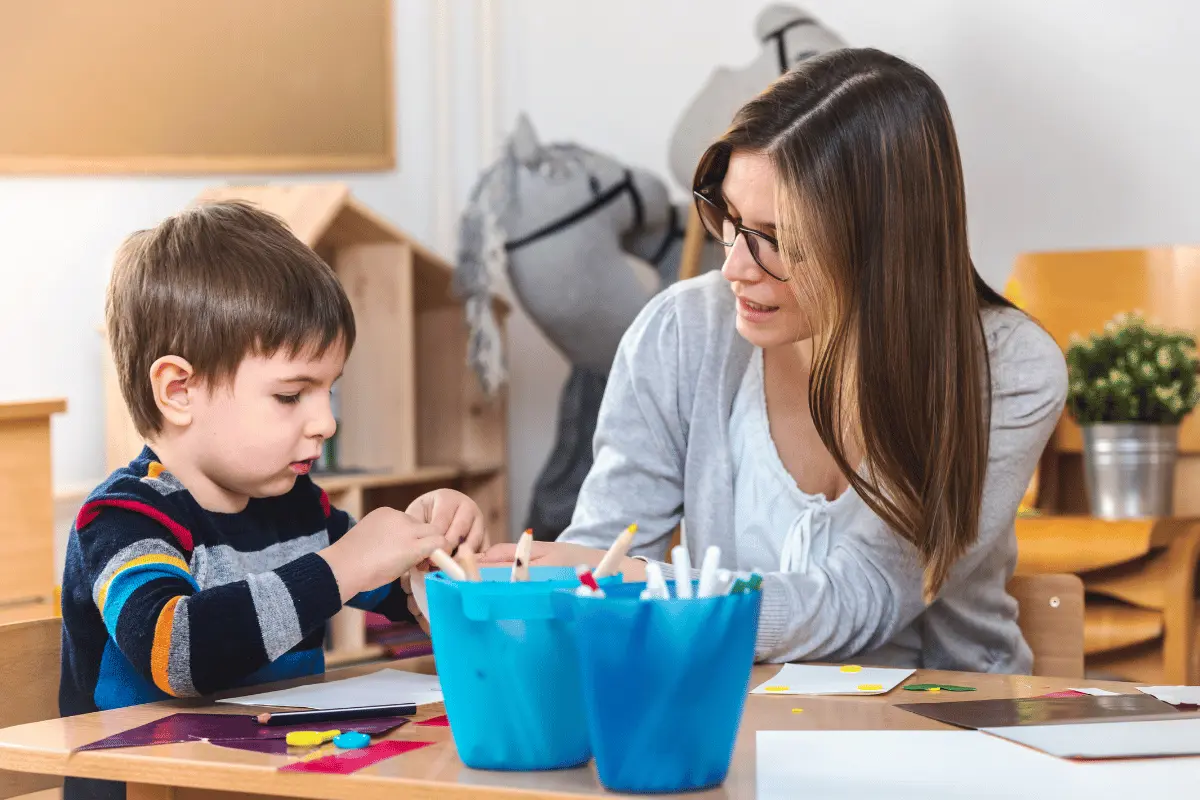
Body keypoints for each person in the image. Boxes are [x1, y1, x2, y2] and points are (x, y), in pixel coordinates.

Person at [481, 48, 1066, 673]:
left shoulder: (1005, 369)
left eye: (778, 239)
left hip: (949, 723)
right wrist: (513, 590)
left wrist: (654, 591)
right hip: (730, 716)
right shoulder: (682, 330)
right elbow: (602, 556)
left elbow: (864, 595)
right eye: (730, 219)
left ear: (885, 243)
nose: (733, 265)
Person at [60, 202, 484, 800]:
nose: (325, 423)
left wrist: (431, 551)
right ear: (179, 391)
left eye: (330, 391)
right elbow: (177, 652)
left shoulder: (297, 508)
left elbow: (395, 590)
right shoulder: (124, 518)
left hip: (271, 784)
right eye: (291, 395)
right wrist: (346, 565)